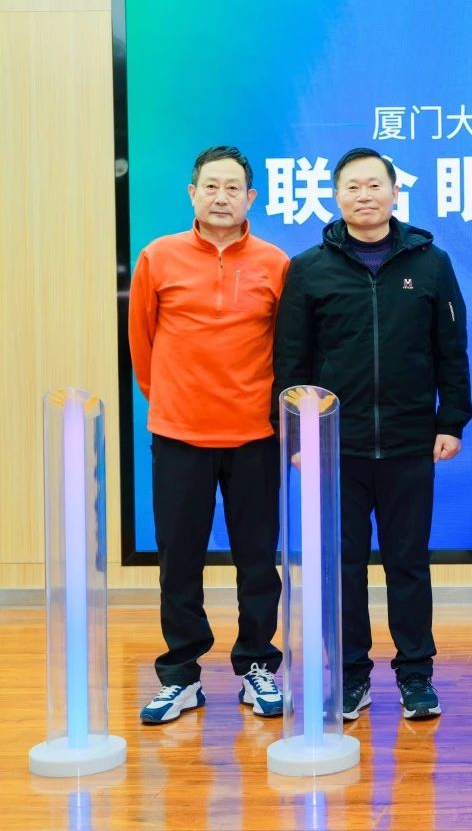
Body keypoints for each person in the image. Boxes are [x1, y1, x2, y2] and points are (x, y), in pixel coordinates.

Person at [274, 147, 472, 721]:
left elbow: (450, 350)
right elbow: (291, 361)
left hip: (411, 442)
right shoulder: (309, 268)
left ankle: (416, 675)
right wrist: (296, 436)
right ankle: (351, 676)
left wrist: (450, 421)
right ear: (337, 196)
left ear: (393, 192)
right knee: (343, 567)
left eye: (374, 185)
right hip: (337, 446)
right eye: (352, 187)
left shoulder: (430, 263)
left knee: (408, 564)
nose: (364, 196)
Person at [129, 145, 289, 724]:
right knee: (179, 560)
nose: (222, 197)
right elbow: (142, 342)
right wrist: (175, 401)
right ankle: (181, 675)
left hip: (254, 435)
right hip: (179, 434)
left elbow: (286, 347)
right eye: (211, 187)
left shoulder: (275, 263)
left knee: (257, 560)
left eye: (233, 188)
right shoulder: (158, 256)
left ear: (251, 198)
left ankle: (256, 665)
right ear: (192, 193)